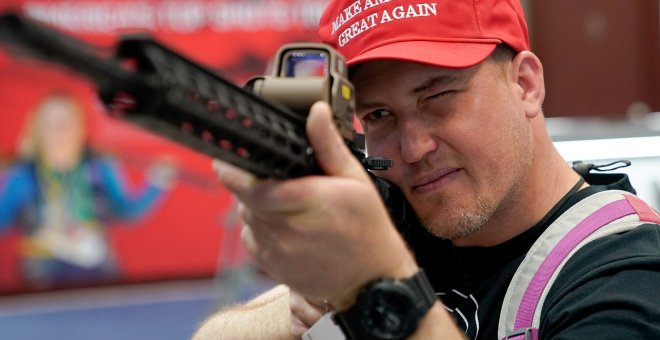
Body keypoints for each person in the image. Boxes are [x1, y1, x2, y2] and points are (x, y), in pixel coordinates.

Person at [193, 0, 660, 339]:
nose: (413, 148)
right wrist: (301, 308)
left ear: (525, 85)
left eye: (438, 99)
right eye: (378, 116)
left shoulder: (629, 277)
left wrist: (373, 283)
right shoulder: (406, 219)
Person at [0, 92, 175, 287]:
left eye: (66, 122)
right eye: (51, 124)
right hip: (43, 272)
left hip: (97, 268)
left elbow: (127, 211)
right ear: (37, 130)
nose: (59, 131)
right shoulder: (22, 174)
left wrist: (157, 183)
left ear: (80, 128)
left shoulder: (100, 166)